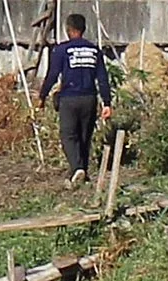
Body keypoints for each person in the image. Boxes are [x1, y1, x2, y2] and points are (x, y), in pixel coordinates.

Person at [37, 13, 114, 184]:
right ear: (83, 29)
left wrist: (42, 96)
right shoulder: (94, 50)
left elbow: (52, 75)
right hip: (89, 98)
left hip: (69, 99)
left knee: (68, 135)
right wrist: (107, 103)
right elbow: (102, 78)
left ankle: (77, 168)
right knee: (85, 136)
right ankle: (82, 172)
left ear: (68, 30)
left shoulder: (62, 50)